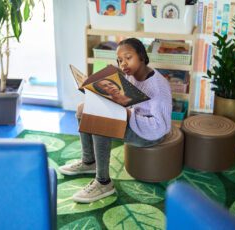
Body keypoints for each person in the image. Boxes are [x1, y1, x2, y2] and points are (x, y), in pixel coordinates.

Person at [59, 38, 172, 203]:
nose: (123, 64)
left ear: (141, 56)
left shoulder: (158, 87)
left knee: (99, 119)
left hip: (149, 132)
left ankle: (103, 182)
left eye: (128, 57)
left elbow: (160, 127)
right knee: (82, 108)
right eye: (120, 60)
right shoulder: (131, 75)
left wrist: (126, 113)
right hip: (132, 118)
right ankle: (89, 161)